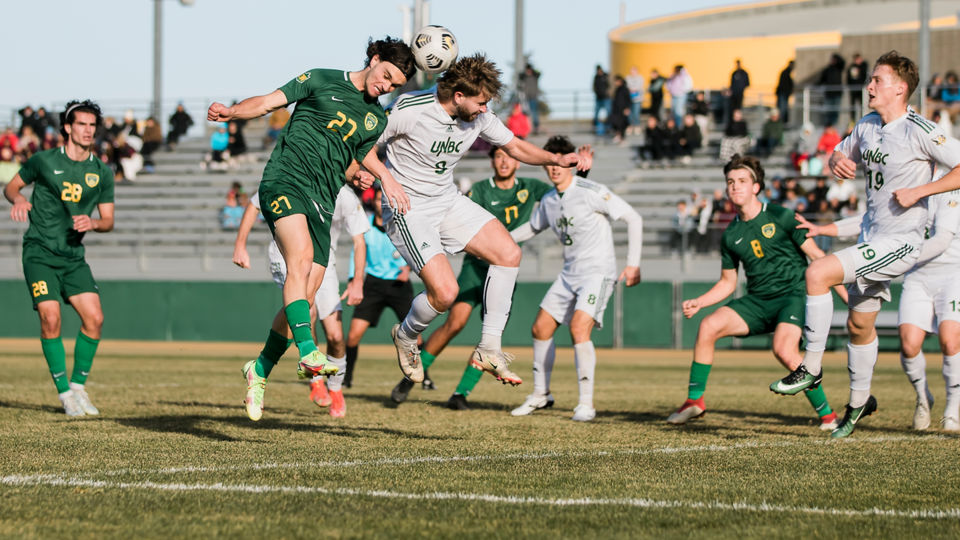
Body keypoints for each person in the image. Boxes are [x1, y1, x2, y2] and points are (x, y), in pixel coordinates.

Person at [206, 36, 415, 422]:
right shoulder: (321, 79)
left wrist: (372, 174)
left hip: (324, 198)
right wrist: (232, 111)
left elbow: (354, 154)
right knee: (299, 263)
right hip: (285, 180)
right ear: (374, 59)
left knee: (305, 291)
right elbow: (269, 101)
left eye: (394, 85)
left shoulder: (377, 118)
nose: (386, 87)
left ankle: (260, 369)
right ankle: (308, 352)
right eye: (385, 76)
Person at [361, 53, 583, 388]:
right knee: (445, 293)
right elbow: (361, 144)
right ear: (458, 96)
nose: (484, 109)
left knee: (508, 253)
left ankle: (488, 349)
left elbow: (515, 147)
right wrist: (382, 178)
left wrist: (554, 158)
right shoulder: (409, 109)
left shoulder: (479, 116)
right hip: (408, 208)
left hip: (447, 200)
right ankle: (406, 336)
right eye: (480, 103)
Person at [770, 51, 960, 440]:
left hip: (903, 243)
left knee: (817, 273)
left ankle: (811, 366)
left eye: (877, 79)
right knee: (859, 326)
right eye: (870, 79)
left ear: (900, 88)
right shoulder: (868, 124)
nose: (869, 86)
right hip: (871, 238)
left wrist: (921, 191)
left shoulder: (921, 129)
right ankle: (859, 405)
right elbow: (841, 152)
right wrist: (836, 159)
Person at [389, 144, 593, 408]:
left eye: (509, 157)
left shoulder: (530, 187)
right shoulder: (481, 189)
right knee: (455, 322)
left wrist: (582, 171)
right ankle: (411, 373)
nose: (504, 162)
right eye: (498, 157)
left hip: (504, 270)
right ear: (492, 162)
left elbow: (563, 192)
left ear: (518, 162)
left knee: (491, 335)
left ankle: (461, 394)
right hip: (475, 268)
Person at [667, 155, 844, 429]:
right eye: (730, 182)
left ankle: (828, 417)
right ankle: (694, 402)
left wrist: (848, 296)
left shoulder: (781, 215)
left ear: (756, 187)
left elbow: (819, 258)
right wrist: (700, 302)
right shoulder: (730, 235)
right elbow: (727, 283)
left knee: (784, 350)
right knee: (708, 326)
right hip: (758, 301)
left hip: (793, 296)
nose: (735, 187)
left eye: (741, 181)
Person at [509, 136, 642, 422]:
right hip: (570, 274)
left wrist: (632, 265)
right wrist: (499, 241)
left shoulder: (590, 190)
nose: (556, 167)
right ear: (546, 162)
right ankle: (541, 395)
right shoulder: (548, 200)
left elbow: (633, 218)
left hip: (598, 273)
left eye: (563, 158)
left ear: (572, 162)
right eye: (551, 159)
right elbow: (532, 228)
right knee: (540, 328)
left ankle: (586, 404)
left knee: (579, 328)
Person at [2, 101, 115, 417]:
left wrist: (93, 223)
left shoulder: (102, 172)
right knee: (51, 318)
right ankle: (64, 394)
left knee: (95, 319)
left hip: (73, 257)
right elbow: (11, 187)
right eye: (81, 124)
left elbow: (108, 220)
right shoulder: (42, 161)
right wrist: (20, 199)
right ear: (67, 127)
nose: (87, 130)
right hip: (38, 252)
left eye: (92, 125)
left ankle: (79, 388)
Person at [233, 184, 368, 418]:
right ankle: (314, 378)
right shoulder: (291, 171)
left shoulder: (344, 194)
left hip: (325, 260)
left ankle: (334, 388)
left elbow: (359, 241)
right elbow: (254, 204)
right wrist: (240, 244)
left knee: (335, 335)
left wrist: (357, 280)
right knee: (307, 310)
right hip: (285, 256)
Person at [896, 182, 960, 432]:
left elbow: (942, 240)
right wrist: (828, 229)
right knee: (909, 344)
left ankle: (952, 407)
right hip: (917, 275)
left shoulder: (950, 186)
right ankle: (923, 398)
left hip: (954, 273)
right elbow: (870, 217)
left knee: (950, 340)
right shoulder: (904, 181)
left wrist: (895, 260)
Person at [344, 184, 415, 390]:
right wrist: (353, 280)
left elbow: (414, 249)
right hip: (373, 284)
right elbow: (355, 253)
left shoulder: (401, 224)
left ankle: (424, 377)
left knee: (413, 334)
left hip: (398, 285)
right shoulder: (363, 225)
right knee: (353, 335)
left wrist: (407, 269)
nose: (381, 203)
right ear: (373, 202)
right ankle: (347, 378)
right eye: (377, 199)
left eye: (383, 200)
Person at [819, 54, 846, 127]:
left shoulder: (839, 68)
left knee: (835, 111)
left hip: (837, 94)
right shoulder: (827, 70)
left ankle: (834, 125)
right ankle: (829, 125)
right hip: (829, 94)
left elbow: (843, 62)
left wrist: (836, 56)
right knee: (829, 111)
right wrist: (812, 86)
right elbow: (821, 80)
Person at [609, 75, 632, 144]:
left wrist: (627, 108)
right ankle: (618, 136)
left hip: (622, 110)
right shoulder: (617, 89)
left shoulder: (624, 89)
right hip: (616, 110)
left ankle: (622, 138)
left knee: (622, 125)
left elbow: (628, 100)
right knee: (615, 123)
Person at [522, 64, 541, 135]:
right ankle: (527, 128)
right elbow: (520, 75)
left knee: (534, 113)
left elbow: (539, 73)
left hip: (533, 98)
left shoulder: (535, 76)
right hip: (526, 98)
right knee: (526, 114)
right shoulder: (525, 77)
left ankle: (536, 127)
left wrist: (533, 69)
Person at [625, 66, 645, 135]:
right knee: (629, 114)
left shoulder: (640, 78)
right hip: (629, 99)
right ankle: (630, 126)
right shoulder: (627, 78)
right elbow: (627, 86)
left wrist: (633, 88)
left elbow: (639, 86)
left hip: (637, 99)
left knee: (636, 113)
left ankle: (637, 126)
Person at [593, 66, 611, 135]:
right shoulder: (596, 77)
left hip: (606, 98)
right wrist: (597, 93)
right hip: (598, 98)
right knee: (596, 114)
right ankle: (596, 128)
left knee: (609, 114)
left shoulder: (606, 76)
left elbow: (610, 85)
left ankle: (609, 128)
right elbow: (594, 86)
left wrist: (608, 93)